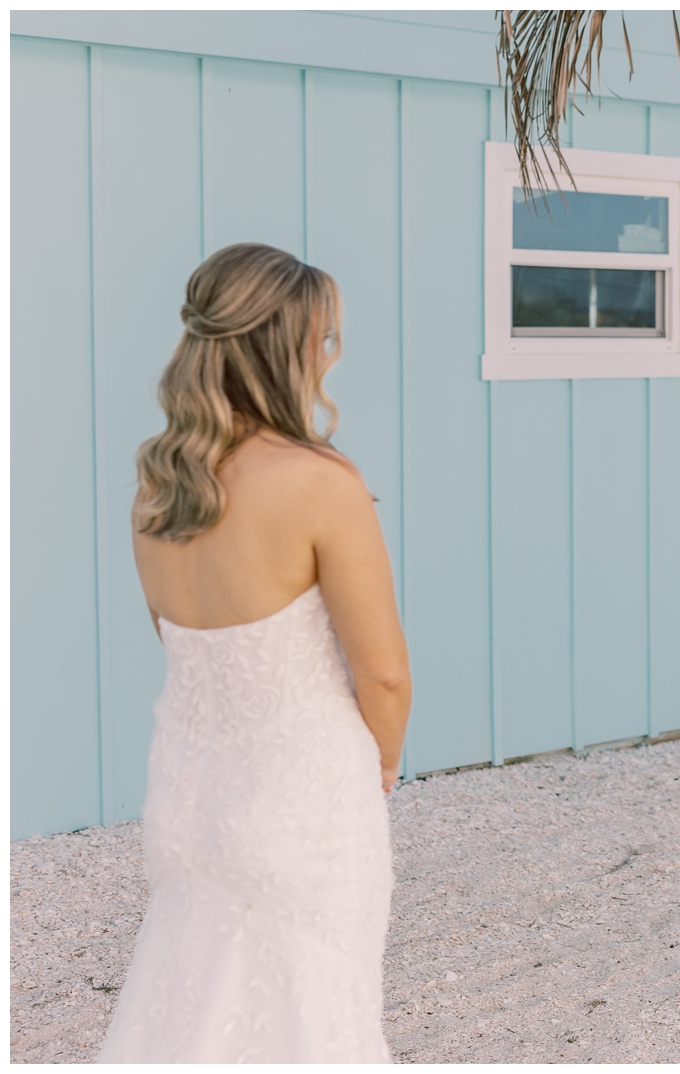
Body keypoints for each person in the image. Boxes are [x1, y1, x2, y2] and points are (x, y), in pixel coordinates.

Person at [98, 244, 410, 1062]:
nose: (328, 355)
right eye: (324, 337)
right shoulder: (320, 483)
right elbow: (382, 671)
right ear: (289, 346)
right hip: (300, 808)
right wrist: (379, 763)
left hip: (186, 804)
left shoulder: (159, 487)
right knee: (316, 1024)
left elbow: (180, 641)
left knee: (191, 1020)